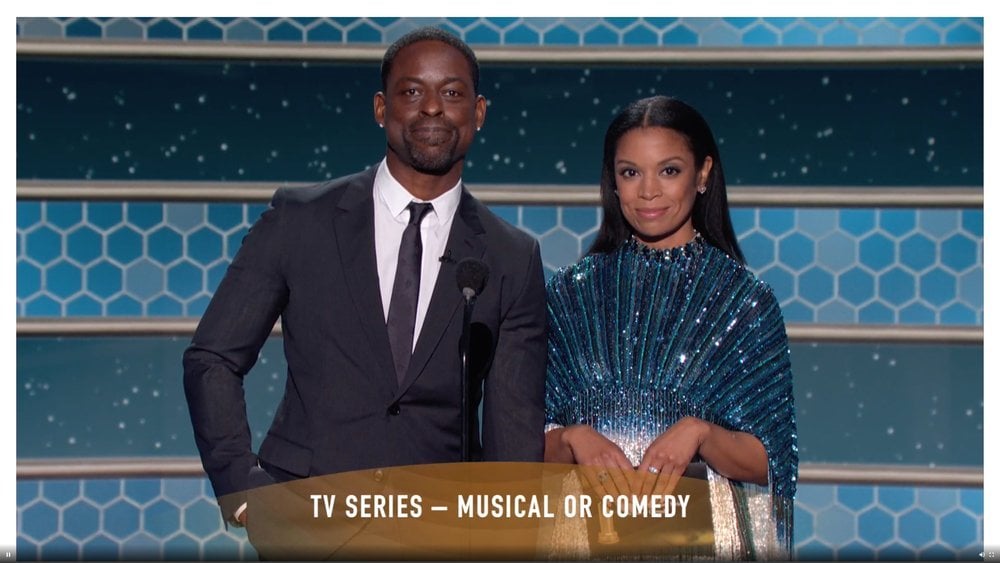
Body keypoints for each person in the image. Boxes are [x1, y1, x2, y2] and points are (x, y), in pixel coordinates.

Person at [183, 27, 547, 530]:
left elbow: (514, 430)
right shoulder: (300, 218)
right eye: (412, 91)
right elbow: (213, 357)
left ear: (478, 113)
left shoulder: (512, 256)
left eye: (452, 93)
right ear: (382, 107)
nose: (433, 108)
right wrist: (241, 488)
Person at [543, 96, 797, 559]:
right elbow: (520, 450)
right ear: (613, 181)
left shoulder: (745, 302)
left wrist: (700, 433)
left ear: (702, 174)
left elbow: (771, 461)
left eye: (669, 170)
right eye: (630, 172)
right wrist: (571, 436)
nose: (648, 192)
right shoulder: (568, 296)